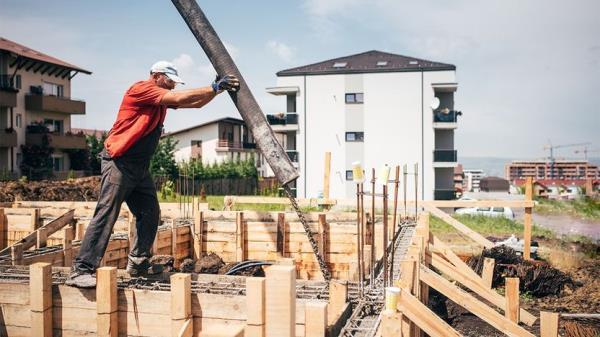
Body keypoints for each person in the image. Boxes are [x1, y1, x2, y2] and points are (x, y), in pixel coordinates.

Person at [66, 61, 239, 288]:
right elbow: (180, 98)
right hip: (119, 162)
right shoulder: (141, 89)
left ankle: (138, 261)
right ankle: (82, 269)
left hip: (139, 168)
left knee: (150, 213)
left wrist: (217, 90)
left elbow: (195, 104)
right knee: (107, 212)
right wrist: (214, 87)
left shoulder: (160, 100)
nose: (172, 87)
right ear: (157, 76)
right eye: (169, 81)